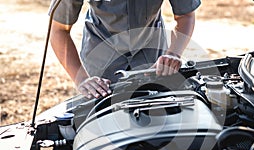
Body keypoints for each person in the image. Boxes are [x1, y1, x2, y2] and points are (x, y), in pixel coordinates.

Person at [49, 0, 200, 99]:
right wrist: (82, 79)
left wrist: (173, 54)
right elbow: (59, 30)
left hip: (152, 58)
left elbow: (185, 15)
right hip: (100, 60)